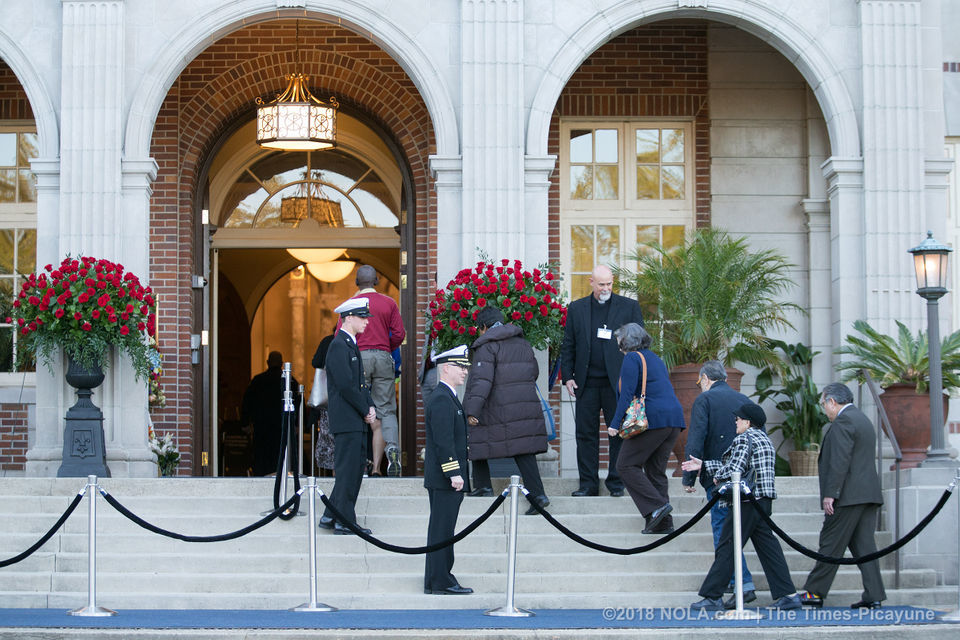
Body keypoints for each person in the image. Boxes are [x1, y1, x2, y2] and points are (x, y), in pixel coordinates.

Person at [682, 402, 802, 612]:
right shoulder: (763, 439)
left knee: (727, 544)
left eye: (738, 419)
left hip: (747, 501)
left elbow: (734, 469)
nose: (735, 422)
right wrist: (704, 465)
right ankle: (788, 595)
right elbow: (740, 464)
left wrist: (717, 478)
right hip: (762, 501)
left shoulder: (745, 438)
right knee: (768, 548)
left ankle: (712, 596)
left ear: (747, 422)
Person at [560, 264, 644, 497]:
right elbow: (568, 344)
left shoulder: (629, 307)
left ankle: (617, 483)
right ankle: (588, 484)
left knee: (618, 432)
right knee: (585, 435)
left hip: (617, 383)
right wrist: (567, 376)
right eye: (601, 284)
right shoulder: (576, 309)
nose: (605, 288)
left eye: (609, 284)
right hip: (585, 383)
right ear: (591, 282)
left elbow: (640, 345)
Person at [800, 382, 886, 609]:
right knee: (865, 547)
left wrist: (831, 494)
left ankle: (813, 593)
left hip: (847, 496)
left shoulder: (843, 422)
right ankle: (874, 595)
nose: (824, 409)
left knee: (830, 543)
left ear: (832, 401)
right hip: (867, 494)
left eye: (824, 404)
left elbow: (839, 461)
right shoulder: (862, 419)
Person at [462, 306, 550, 515]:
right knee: (524, 450)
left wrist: (472, 411)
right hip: (523, 406)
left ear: (483, 327)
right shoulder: (523, 344)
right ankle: (538, 494)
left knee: (477, 436)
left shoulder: (486, 347)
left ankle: (483, 486)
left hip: (497, 407)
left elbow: (481, 382)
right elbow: (534, 372)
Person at [682, 360, 756, 605]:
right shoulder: (743, 400)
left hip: (718, 477)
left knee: (723, 533)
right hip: (745, 477)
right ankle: (737, 584)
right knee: (731, 533)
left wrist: (689, 477)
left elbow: (696, 437)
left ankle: (740, 584)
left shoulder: (705, 400)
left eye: (699, 381)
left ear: (705, 378)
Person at [607, 323, 684, 533]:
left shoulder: (632, 358)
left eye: (618, 339)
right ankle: (663, 524)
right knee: (655, 471)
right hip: (672, 421)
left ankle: (657, 507)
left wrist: (615, 424)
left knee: (625, 465)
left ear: (626, 340)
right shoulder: (655, 358)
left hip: (652, 420)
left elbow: (627, 394)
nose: (617, 343)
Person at [339, 265, 405, 477]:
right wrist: (387, 345)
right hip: (384, 357)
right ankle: (392, 448)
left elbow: (339, 337)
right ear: (376, 281)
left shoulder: (350, 305)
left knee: (358, 407)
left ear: (357, 283)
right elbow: (399, 333)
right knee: (386, 409)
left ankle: (359, 462)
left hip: (359, 357)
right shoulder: (389, 303)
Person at [318, 298, 377, 535]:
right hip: (348, 419)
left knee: (351, 470)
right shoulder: (339, 345)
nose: (366, 322)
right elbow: (345, 385)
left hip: (354, 419)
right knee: (348, 472)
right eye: (362, 317)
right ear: (349, 318)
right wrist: (365, 409)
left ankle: (330, 515)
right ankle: (345, 521)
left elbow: (360, 384)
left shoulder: (349, 344)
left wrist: (370, 405)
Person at [423, 345, 474, 595]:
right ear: (446, 368)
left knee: (443, 529)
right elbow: (443, 441)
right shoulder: (442, 397)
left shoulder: (447, 396)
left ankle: (437, 579)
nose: (465, 371)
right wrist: (454, 473)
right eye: (460, 366)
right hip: (445, 478)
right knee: (442, 530)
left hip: (444, 477)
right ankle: (441, 580)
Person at [241, 351, 300, 476]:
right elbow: (299, 402)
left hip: (262, 427)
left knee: (262, 459)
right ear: (282, 364)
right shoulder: (290, 382)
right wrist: (297, 424)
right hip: (282, 427)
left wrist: (245, 423)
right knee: (282, 455)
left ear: (267, 363)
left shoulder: (258, 381)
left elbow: (247, 402)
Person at [310, 333, 336, 473]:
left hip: (328, 396)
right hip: (345, 398)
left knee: (330, 435)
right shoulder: (351, 341)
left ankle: (333, 473)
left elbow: (315, 362)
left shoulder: (328, 341)